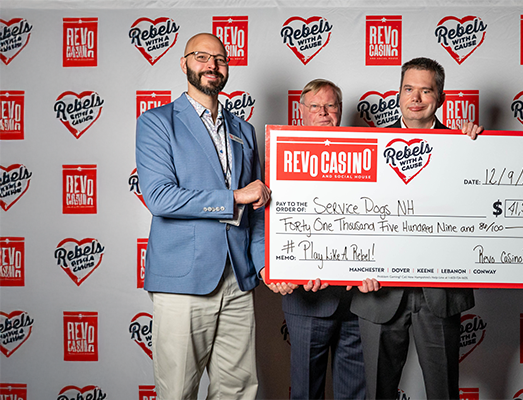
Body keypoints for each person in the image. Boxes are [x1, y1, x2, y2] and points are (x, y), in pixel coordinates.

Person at [135, 32, 269, 399]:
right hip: (183, 279)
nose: (212, 65)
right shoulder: (157, 122)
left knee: (238, 390)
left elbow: (256, 212)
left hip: (237, 280)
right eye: (201, 57)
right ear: (184, 64)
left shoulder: (243, 130)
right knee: (178, 390)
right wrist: (232, 198)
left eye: (220, 59)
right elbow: (160, 198)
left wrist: (263, 267)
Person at [350, 57, 481, 400]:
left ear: (441, 98)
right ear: (398, 94)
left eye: (426, 90)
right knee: (377, 392)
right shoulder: (369, 145)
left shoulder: (465, 145)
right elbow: (348, 214)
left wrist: (479, 148)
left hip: (440, 293)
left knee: (443, 392)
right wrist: (352, 265)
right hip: (378, 292)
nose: (416, 98)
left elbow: (482, 207)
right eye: (409, 89)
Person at [264, 79, 367, 400]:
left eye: (330, 105)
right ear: (301, 112)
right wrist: (281, 268)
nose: (323, 112)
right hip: (307, 300)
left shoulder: (365, 155)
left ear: (340, 110)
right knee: (306, 391)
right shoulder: (280, 158)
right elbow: (266, 221)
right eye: (315, 106)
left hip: (358, 300)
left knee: (355, 392)